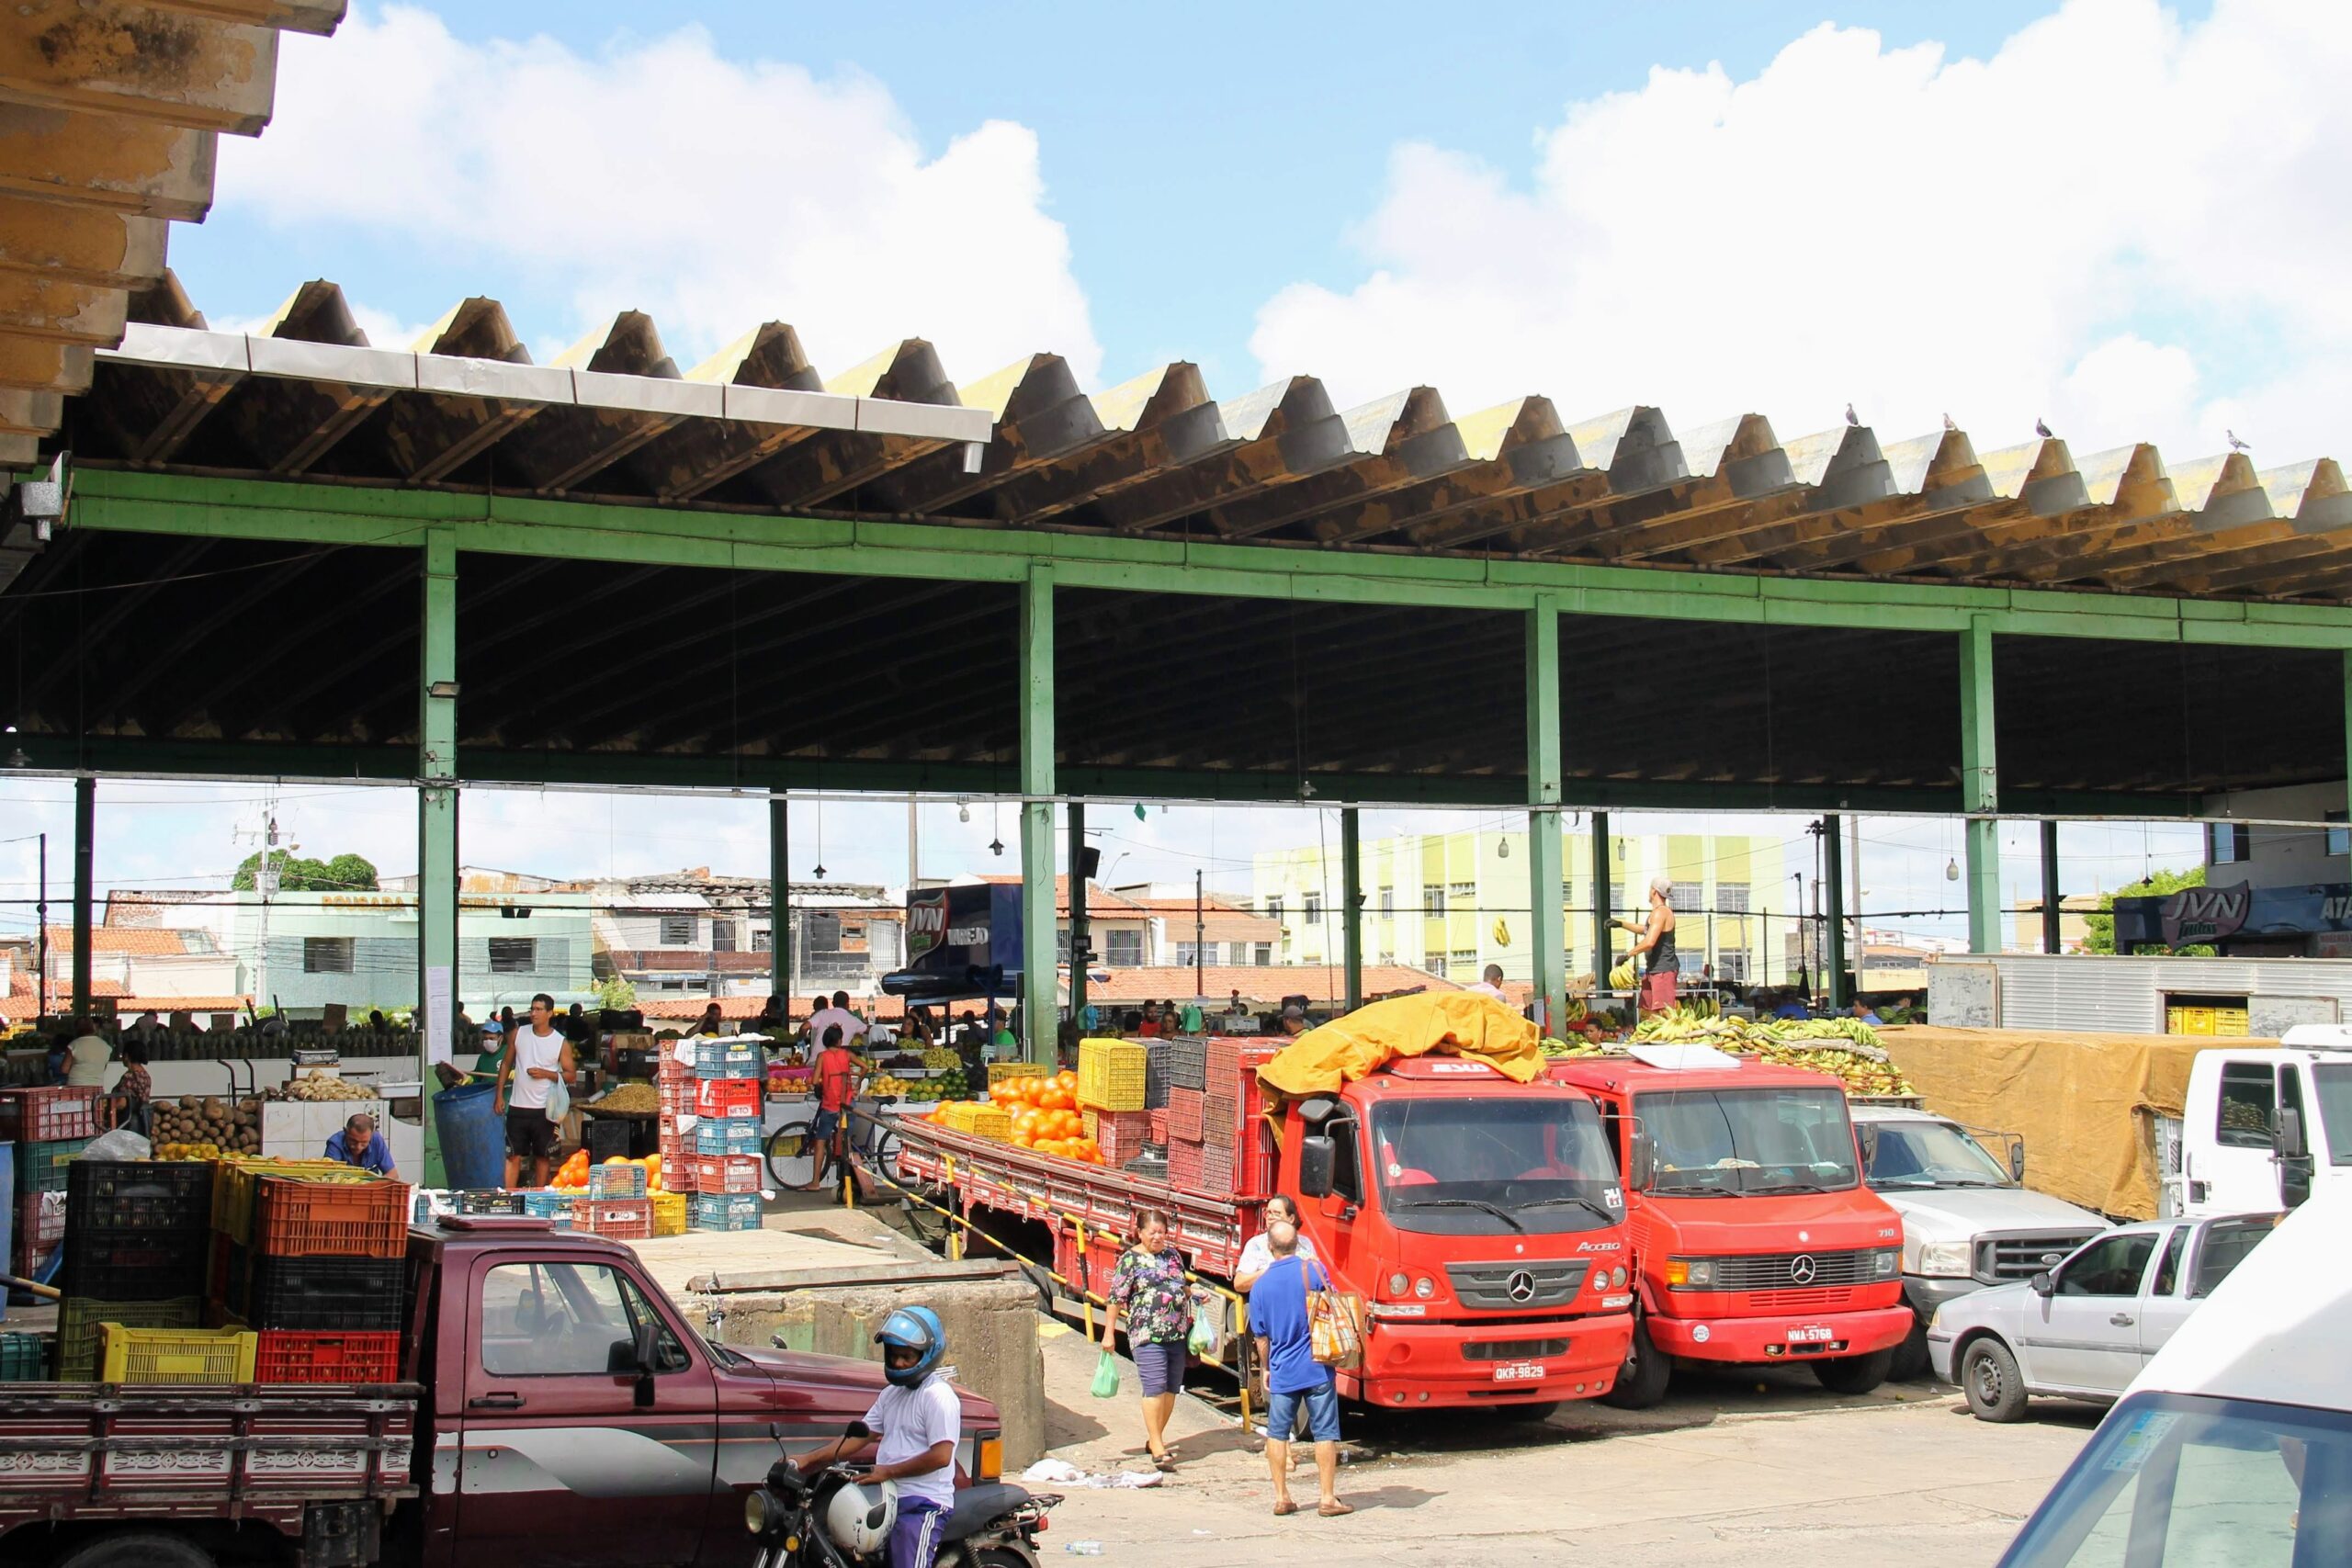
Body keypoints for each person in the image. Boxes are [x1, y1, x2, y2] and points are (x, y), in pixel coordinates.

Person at [796, 1307, 959, 1568]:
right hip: (886, 1498)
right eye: (894, 1355)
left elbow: (941, 1456)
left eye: (907, 1357)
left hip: (923, 1503)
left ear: (928, 1353)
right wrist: (807, 1460)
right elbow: (860, 1436)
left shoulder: (938, 1396)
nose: (899, 1363)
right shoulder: (891, 1395)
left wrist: (887, 1471)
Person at [1246, 1221, 1350, 1517]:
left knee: (1277, 1434)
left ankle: (1282, 1497)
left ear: (1269, 1247)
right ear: (1297, 1244)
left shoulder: (1261, 1285)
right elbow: (1334, 1303)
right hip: (1318, 1367)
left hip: (1283, 1370)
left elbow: (1262, 1337)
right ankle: (1327, 1498)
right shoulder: (1314, 1270)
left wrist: (1266, 1367)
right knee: (1325, 1433)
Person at [1102, 1210, 1195, 1472]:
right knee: (1154, 1386)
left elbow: (1180, 1286)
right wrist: (1109, 1333)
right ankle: (1157, 1446)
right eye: (1152, 1232)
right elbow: (1115, 1298)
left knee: (1170, 1389)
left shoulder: (1173, 1256)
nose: (1157, 1237)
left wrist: (1192, 1293)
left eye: (1161, 1232)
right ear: (1140, 1233)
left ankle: (1155, 1437)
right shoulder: (1130, 1260)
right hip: (1146, 1333)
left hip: (1176, 1333)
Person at [494, 993, 574, 1190]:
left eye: (539, 1009)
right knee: (513, 1155)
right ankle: (508, 1196)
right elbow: (506, 1064)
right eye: (532, 1009)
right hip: (518, 1106)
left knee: (542, 1156)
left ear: (550, 1013)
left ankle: (538, 1196)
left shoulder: (559, 1042)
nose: (534, 1013)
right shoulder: (519, 1033)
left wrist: (547, 1073)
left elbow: (571, 1075)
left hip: (544, 1109)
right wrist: (498, 1096)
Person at [805, 1024, 862, 1192]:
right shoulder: (847, 1054)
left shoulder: (822, 1056)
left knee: (821, 1141)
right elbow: (865, 1067)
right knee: (846, 1142)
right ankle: (848, 1182)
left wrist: (820, 1081)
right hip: (848, 1104)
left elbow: (815, 1081)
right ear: (838, 1040)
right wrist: (857, 1084)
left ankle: (816, 1182)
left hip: (830, 1105)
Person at [1617, 875, 1679, 1014]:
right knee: (1648, 1012)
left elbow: (1649, 942)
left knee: (1663, 1013)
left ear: (1653, 891)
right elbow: (1645, 930)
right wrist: (1621, 924)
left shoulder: (1661, 912)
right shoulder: (1658, 913)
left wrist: (1628, 955)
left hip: (1663, 970)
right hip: (1653, 969)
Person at [1234, 1195, 1320, 1292]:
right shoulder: (1256, 1244)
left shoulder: (1306, 1244)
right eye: (1268, 1213)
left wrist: (1314, 1268)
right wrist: (1267, 1273)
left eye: (1277, 1213)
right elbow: (1239, 1284)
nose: (1270, 1217)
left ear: (1291, 1218)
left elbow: (1317, 1282)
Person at [323, 1111, 398, 1178]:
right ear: (345, 1131)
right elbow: (328, 1176)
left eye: (364, 1142)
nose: (358, 1147)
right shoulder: (335, 1143)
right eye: (353, 1141)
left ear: (371, 1135)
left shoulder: (376, 1139)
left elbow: (393, 1174)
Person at [111, 1040, 152, 1136]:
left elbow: (122, 1103)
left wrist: (110, 1109)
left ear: (127, 1056)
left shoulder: (129, 1077)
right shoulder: (146, 1075)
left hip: (128, 1123)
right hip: (143, 1122)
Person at [810, 990, 867, 1056]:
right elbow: (868, 1029)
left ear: (833, 1003)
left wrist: (800, 1039)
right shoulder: (853, 1020)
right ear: (847, 1004)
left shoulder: (822, 1013)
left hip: (813, 1061)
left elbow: (804, 1027)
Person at [63, 1017, 110, 1087]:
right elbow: (104, 1068)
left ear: (76, 1029)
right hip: (97, 1087)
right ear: (93, 1028)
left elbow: (64, 1069)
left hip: (76, 1086)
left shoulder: (74, 1045)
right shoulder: (106, 1046)